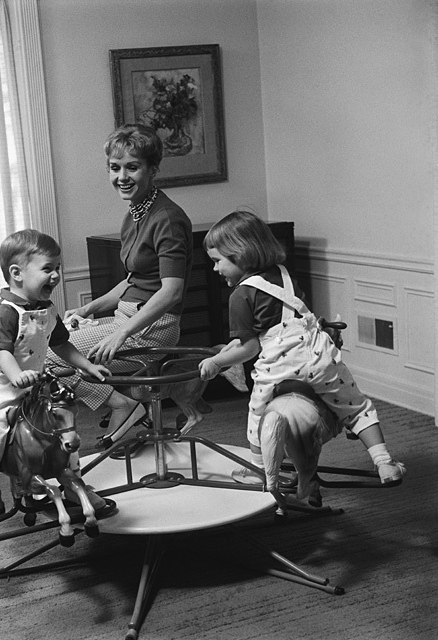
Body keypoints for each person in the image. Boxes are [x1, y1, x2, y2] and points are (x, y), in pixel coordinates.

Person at [197, 210, 406, 484]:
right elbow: (283, 323)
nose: (215, 269)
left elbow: (249, 347)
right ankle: (384, 462)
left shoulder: (240, 295)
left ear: (240, 255)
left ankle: (258, 469)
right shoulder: (284, 275)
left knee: (258, 413)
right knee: (356, 406)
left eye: (217, 261)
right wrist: (226, 351)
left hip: (280, 365)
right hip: (319, 356)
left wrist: (217, 362)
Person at [47, 123, 193, 447]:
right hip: (128, 317)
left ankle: (124, 406)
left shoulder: (167, 218)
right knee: (55, 341)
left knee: (51, 357)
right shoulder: (135, 212)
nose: (122, 177)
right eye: (115, 168)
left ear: (153, 169)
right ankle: (125, 408)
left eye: (132, 167)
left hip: (152, 326)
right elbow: (133, 280)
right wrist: (88, 308)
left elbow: (171, 291)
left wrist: (121, 332)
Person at [0, 229, 110, 531]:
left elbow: (61, 344)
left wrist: (86, 366)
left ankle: (71, 482)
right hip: (1, 387)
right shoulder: (5, 313)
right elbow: (0, 352)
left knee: (62, 429)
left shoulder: (47, 310)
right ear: (16, 273)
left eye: (57, 268)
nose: (56, 275)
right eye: (48, 269)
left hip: (34, 384)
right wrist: (17, 376)